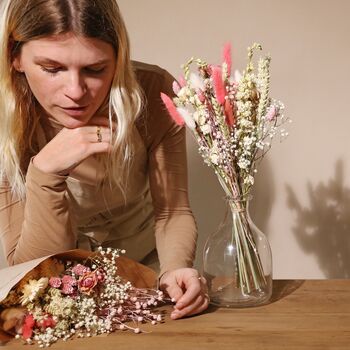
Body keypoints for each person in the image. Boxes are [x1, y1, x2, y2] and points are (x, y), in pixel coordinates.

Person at [0, 0, 209, 319]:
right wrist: (44, 175)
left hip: (146, 278)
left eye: (95, 69)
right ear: (15, 56)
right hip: (57, 293)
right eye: (52, 69)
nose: (75, 91)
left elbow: (173, 211)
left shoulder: (154, 92)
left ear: (118, 58)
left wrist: (175, 269)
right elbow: (28, 270)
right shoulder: (5, 118)